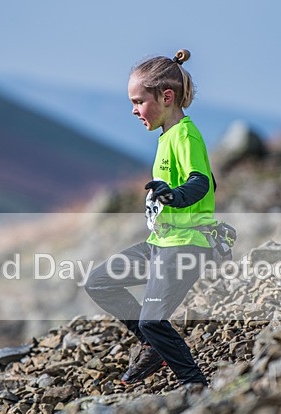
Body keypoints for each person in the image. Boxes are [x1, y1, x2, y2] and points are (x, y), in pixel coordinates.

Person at [84, 49, 216, 388]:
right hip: (161, 244)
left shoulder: (185, 134)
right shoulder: (167, 136)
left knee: (153, 321)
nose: (133, 110)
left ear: (166, 96)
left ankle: (195, 384)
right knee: (99, 282)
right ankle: (151, 346)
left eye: (138, 101)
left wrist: (174, 195)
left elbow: (200, 182)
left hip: (186, 246)